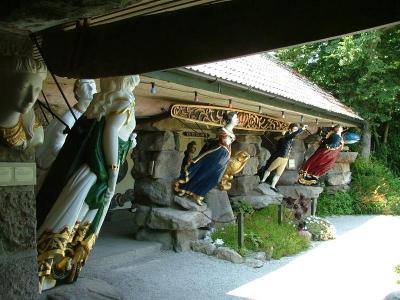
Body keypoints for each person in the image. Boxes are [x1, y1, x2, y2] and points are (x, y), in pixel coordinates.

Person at [36, 75, 140, 292]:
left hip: (85, 170)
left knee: (68, 220)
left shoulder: (99, 103)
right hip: (97, 174)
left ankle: (49, 271)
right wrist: (113, 172)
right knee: (74, 222)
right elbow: (110, 133)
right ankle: (48, 272)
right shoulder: (124, 102)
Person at [175, 112, 239, 205]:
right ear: (230, 119)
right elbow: (226, 141)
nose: (238, 119)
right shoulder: (222, 130)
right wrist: (230, 137)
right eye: (236, 117)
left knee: (215, 179)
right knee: (203, 174)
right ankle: (184, 188)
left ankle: (199, 194)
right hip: (217, 155)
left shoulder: (231, 132)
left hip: (224, 158)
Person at [36, 79, 97, 170]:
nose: (91, 89)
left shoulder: (88, 114)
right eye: (86, 85)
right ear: (77, 92)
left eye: (92, 84)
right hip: (49, 164)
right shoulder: (68, 119)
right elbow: (55, 147)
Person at [0, 55, 47, 150]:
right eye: (23, 88)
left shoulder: (33, 127)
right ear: (4, 85)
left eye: (37, 90)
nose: (31, 99)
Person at [260, 123, 307, 192]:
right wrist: (301, 129)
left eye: (296, 129)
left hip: (285, 158)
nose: (295, 131)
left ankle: (273, 186)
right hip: (280, 157)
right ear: (290, 129)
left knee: (278, 174)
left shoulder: (289, 137)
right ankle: (262, 181)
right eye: (294, 129)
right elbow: (292, 135)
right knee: (269, 169)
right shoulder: (287, 136)